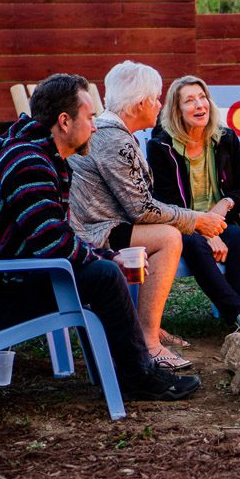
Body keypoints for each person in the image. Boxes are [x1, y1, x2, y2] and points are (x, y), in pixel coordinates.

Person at [0, 74, 200, 401]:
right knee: (104, 276)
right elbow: (52, 242)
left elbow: (55, 237)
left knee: (103, 270)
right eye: (90, 118)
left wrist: (107, 256)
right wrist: (108, 260)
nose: (95, 127)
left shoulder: (40, 157)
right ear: (65, 122)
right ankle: (138, 376)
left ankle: (131, 371)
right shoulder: (28, 164)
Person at [68, 61, 228, 371]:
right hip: (94, 232)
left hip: (104, 224)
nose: (158, 105)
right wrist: (196, 220)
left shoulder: (112, 131)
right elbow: (141, 209)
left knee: (166, 232)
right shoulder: (114, 140)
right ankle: (149, 342)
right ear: (140, 103)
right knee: (167, 238)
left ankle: (147, 330)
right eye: (155, 98)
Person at [147, 76, 240, 335]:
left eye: (202, 97)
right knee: (195, 244)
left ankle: (239, 325)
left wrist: (226, 203)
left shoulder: (225, 139)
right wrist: (203, 230)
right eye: (189, 100)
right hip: (181, 226)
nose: (199, 105)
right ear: (177, 110)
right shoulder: (161, 147)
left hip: (220, 223)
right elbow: (166, 202)